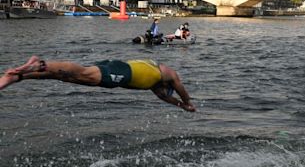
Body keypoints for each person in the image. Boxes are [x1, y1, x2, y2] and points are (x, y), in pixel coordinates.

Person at [0, 56, 196, 112]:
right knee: (83, 73)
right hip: (122, 72)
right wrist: (187, 101)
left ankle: (19, 77)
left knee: (67, 77)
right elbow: (179, 86)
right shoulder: (165, 73)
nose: (164, 92)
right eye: (166, 89)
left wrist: (181, 106)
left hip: (118, 71)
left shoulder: (156, 87)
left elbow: (168, 98)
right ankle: (40, 63)